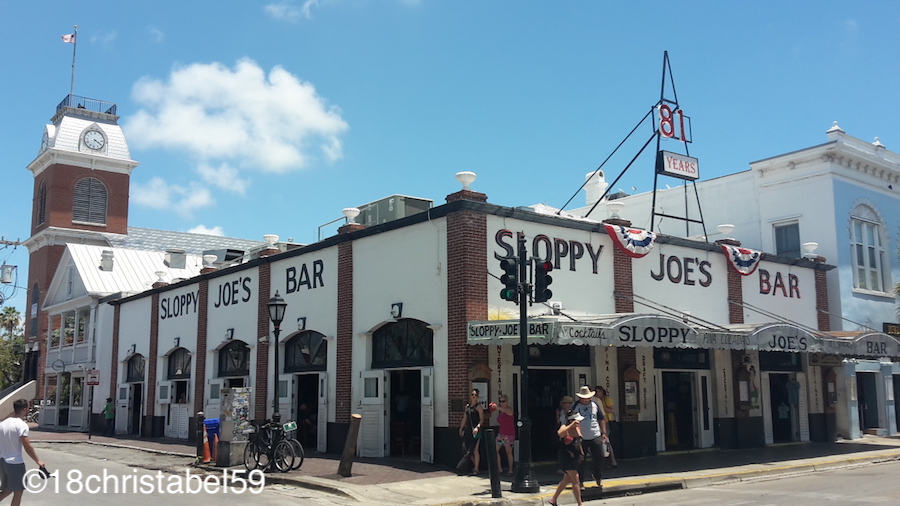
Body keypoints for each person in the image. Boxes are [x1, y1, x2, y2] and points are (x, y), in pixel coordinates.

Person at [0, 399, 45, 506]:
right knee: (18, 492)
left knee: (7, 489)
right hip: (15, 462)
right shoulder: (21, 425)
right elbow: (27, 445)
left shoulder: (3, 424)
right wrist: (37, 460)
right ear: (24, 409)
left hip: (2, 460)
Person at [572, 386, 608, 491]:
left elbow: (601, 419)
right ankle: (581, 481)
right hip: (581, 436)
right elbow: (570, 419)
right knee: (581, 460)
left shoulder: (595, 405)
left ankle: (598, 477)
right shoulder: (575, 406)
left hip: (595, 434)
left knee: (599, 456)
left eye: (587, 397)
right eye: (583, 397)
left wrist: (604, 432)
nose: (585, 399)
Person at [548, 410, 585, 506]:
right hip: (566, 456)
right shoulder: (565, 427)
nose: (579, 422)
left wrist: (582, 453)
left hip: (575, 456)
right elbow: (560, 433)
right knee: (576, 479)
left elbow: (579, 441)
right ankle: (580, 504)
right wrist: (571, 425)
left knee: (567, 480)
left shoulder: (578, 428)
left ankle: (553, 499)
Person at [457, 388, 485, 475]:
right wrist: (461, 428)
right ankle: (472, 464)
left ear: (478, 397)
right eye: (472, 394)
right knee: (465, 448)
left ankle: (476, 469)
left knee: (475, 450)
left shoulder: (479, 407)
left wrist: (477, 427)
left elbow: (482, 420)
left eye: (475, 395)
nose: (474, 396)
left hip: (476, 430)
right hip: (468, 430)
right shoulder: (468, 407)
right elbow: (464, 418)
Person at [594, 386, 618, 467]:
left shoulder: (606, 399)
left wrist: (601, 408)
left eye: (597, 391)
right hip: (600, 423)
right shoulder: (598, 400)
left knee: (606, 442)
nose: (595, 393)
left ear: (601, 391)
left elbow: (612, 410)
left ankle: (612, 461)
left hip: (606, 422)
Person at [494, 394, 516, 476]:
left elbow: (507, 412)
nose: (501, 403)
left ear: (507, 401)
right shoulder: (501, 411)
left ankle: (510, 470)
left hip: (509, 434)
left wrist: (496, 407)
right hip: (501, 433)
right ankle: (499, 469)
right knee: (495, 450)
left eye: (503, 401)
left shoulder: (509, 409)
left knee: (508, 452)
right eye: (500, 401)